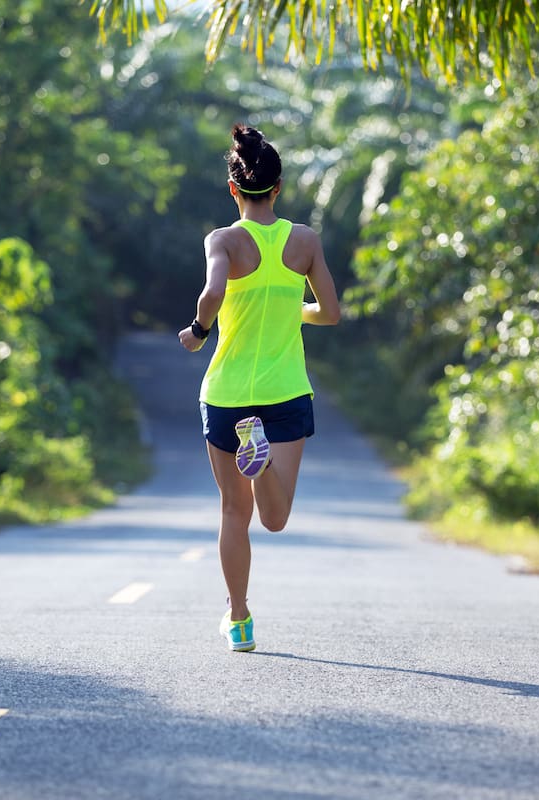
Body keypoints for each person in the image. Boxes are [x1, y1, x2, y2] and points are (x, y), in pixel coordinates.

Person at [178, 123, 340, 653]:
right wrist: (294, 309)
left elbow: (212, 291)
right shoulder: (305, 241)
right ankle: (262, 458)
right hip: (286, 391)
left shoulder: (222, 240)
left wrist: (200, 332)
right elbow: (331, 313)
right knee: (275, 517)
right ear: (278, 187)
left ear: (233, 188)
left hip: (226, 395)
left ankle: (240, 619)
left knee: (233, 512)